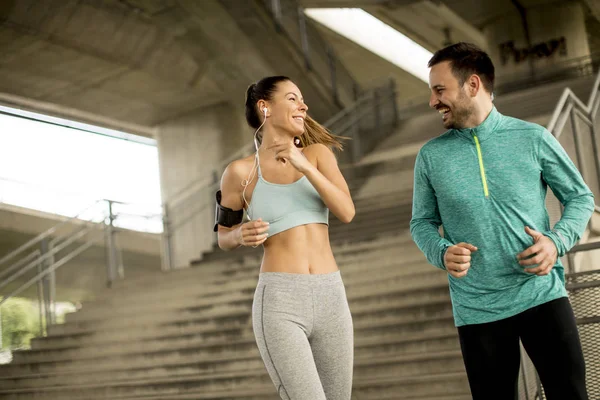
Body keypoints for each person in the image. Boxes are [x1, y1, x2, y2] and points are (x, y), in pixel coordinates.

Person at [410, 42, 592, 400]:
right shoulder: (430, 157)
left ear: (473, 85)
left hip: (542, 295)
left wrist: (556, 242)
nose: (433, 101)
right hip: (477, 309)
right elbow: (422, 223)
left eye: (440, 90)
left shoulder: (532, 138)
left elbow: (580, 197)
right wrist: (441, 251)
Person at [214, 75, 355, 400]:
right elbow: (223, 237)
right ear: (265, 107)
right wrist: (240, 234)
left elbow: (347, 212)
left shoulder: (317, 155)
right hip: (280, 302)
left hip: (331, 296)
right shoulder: (239, 173)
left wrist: (303, 165)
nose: (303, 105)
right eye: (292, 98)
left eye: (301, 99)